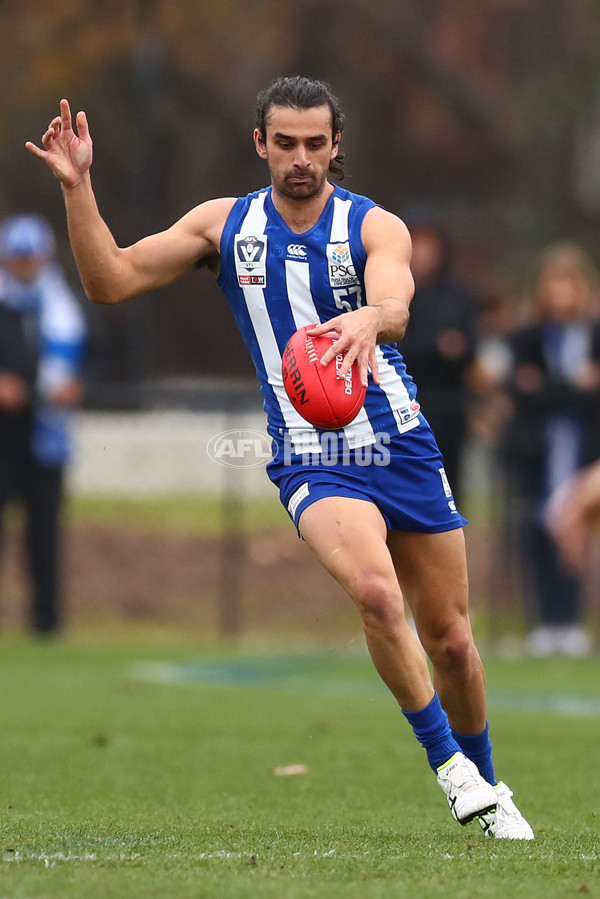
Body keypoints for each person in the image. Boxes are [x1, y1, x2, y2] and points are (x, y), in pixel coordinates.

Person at [26, 75, 533, 838]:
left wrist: (370, 316)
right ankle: (452, 770)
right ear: (260, 143)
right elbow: (110, 281)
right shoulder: (224, 227)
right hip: (308, 451)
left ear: (337, 147)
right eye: (286, 143)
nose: (301, 158)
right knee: (373, 591)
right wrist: (79, 188)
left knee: (454, 644)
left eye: (316, 144)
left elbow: (396, 302)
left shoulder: (374, 226)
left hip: (399, 441)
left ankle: (489, 780)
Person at [498, 244, 600, 657]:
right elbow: (522, 394)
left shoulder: (594, 334)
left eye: (568, 282)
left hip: (584, 450)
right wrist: (574, 385)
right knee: (537, 530)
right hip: (539, 450)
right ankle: (545, 621)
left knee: (575, 528)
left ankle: (571, 619)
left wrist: (547, 388)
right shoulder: (526, 337)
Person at [0, 214, 87, 634]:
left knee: (44, 535)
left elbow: (98, 360)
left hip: (47, 437)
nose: (23, 267)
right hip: (3, 437)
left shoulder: (65, 308)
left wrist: (77, 386)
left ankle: (46, 622)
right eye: (16, 260)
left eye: (29, 259)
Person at [399, 221, 481, 507]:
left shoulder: (458, 294)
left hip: (450, 410)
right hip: (402, 406)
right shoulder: (395, 291)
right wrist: (438, 347)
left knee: (449, 492)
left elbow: (468, 347)